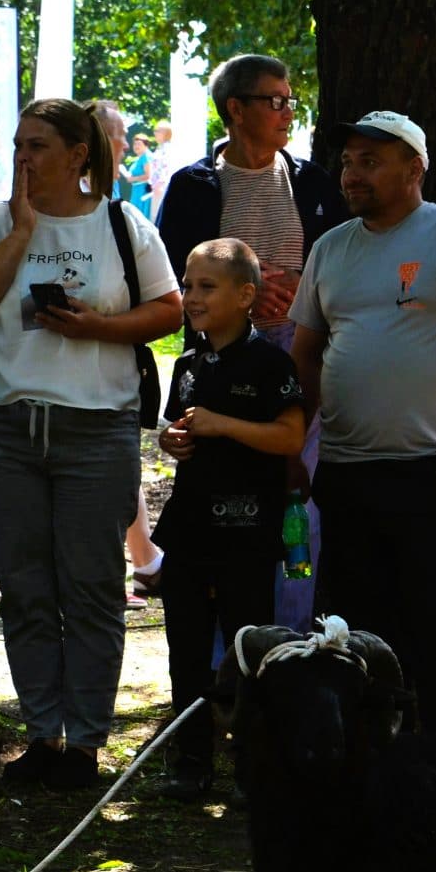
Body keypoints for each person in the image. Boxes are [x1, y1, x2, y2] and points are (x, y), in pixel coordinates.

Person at [0, 97, 181, 790]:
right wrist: (20, 233)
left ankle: (86, 748)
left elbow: (166, 310)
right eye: (19, 144)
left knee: (93, 587)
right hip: (11, 431)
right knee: (25, 586)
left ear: (80, 155)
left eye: (39, 145)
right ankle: (43, 737)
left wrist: (94, 328)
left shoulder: (122, 223)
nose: (24, 157)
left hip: (96, 431)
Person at [288, 111, 436, 736]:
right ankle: (371, 756)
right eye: (347, 162)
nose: (352, 174)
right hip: (345, 470)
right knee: (356, 625)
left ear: (415, 167)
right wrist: (299, 444)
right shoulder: (330, 248)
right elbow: (305, 351)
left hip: (434, 471)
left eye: (370, 161)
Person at [158, 55, 348, 632]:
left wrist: (299, 290)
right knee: (221, 500)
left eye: (292, 100)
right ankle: (222, 659)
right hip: (221, 358)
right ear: (236, 109)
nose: (289, 112)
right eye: (276, 100)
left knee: (298, 500)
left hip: (299, 351)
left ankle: (288, 641)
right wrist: (245, 289)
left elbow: (338, 259)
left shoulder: (310, 180)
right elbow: (172, 275)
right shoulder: (193, 187)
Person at [152, 238, 305, 798]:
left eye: (206, 287)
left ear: (246, 296)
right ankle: (189, 760)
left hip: (248, 528)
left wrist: (224, 425)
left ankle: (250, 764)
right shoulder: (186, 363)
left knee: (247, 647)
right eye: (188, 285)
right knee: (185, 646)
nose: (191, 297)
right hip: (190, 527)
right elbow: (180, 428)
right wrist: (174, 439)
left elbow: (290, 435)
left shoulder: (270, 363)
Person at [122, 132, 153, 220]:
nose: (136, 146)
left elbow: (148, 175)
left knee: (141, 218)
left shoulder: (146, 156)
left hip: (143, 191)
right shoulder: (139, 158)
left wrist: (132, 179)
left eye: (139, 144)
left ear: (146, 145)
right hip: (137, 190)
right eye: (135, 144)